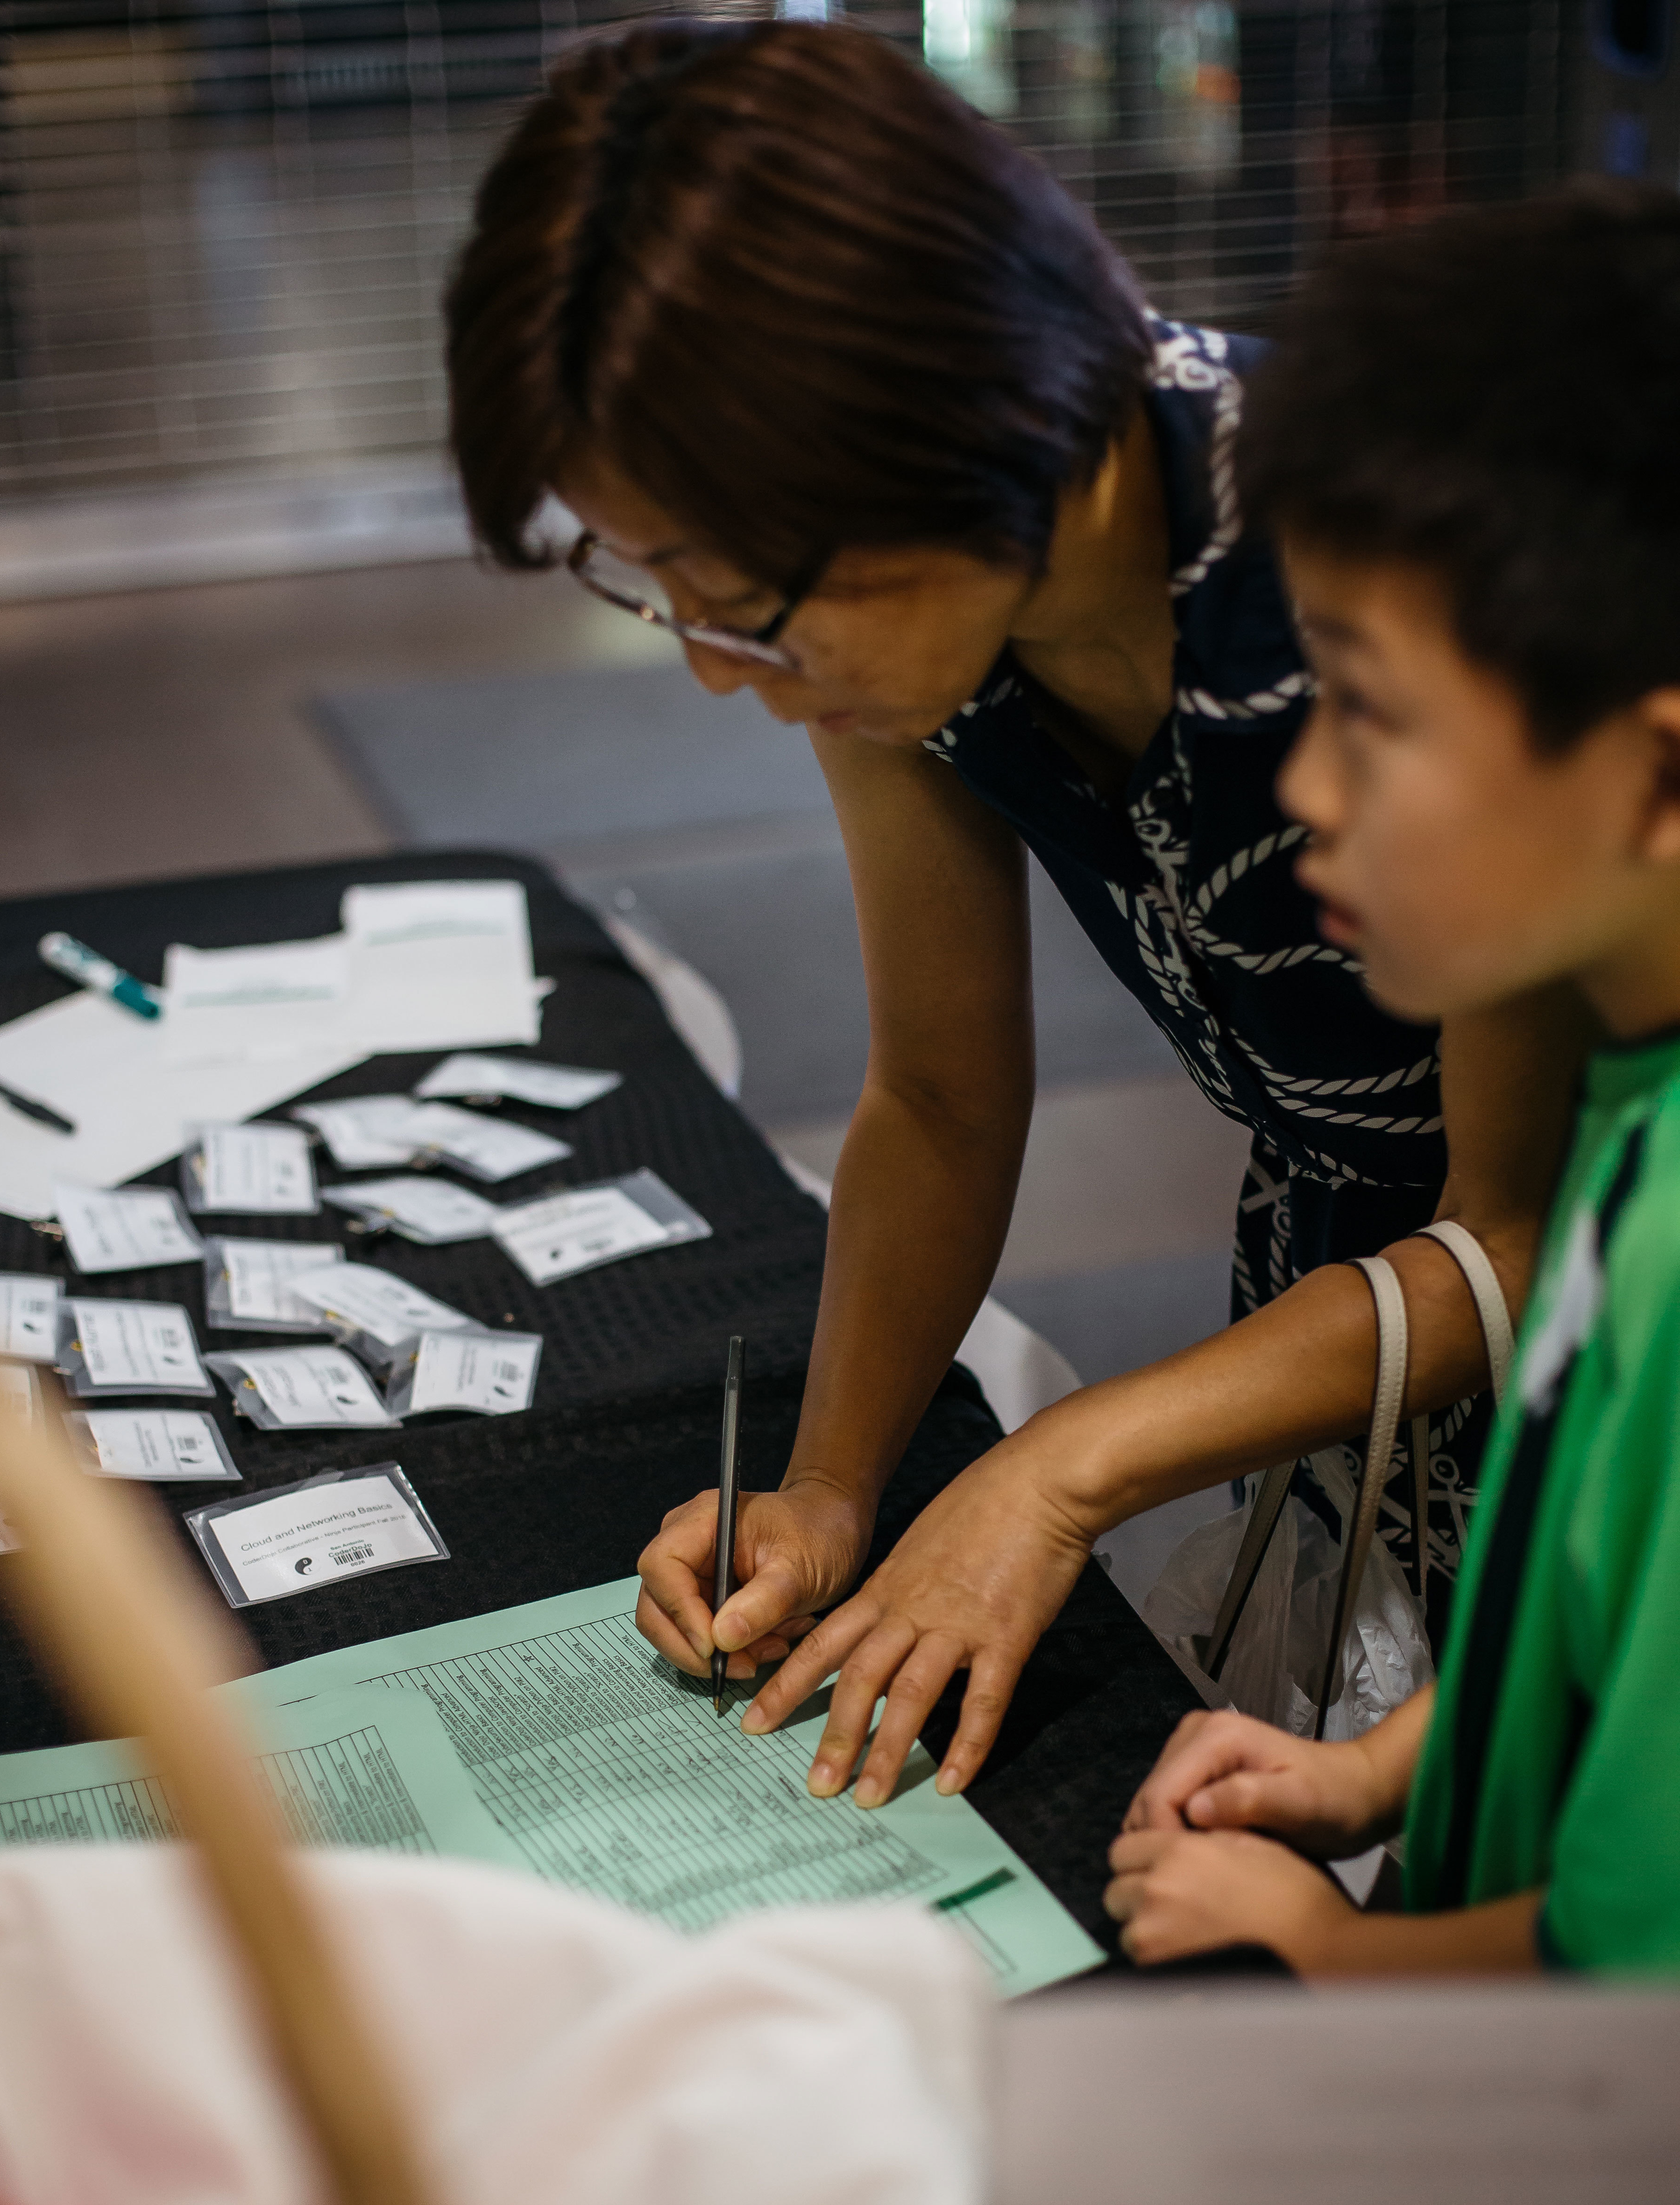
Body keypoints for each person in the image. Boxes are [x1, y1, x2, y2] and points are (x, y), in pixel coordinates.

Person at [445, 17, 1584, 1808]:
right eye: (664, 596)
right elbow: (942, 1096)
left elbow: (1526, 1232)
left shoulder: (1388, 561)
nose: (732, 679)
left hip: (1593, 1360)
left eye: (747, 604)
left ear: (951, 434)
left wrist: (1057, 1466)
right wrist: (831, 1483)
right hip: (1346, 1331)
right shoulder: (926, 630)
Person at [1107, 184, 1680, 1973]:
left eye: (1369, 710)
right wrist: (1373, 1782)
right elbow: (1590, 1628)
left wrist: (1324, 1952)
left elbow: (1632, 1995)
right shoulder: (1624, 1097)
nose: (1307, 794)